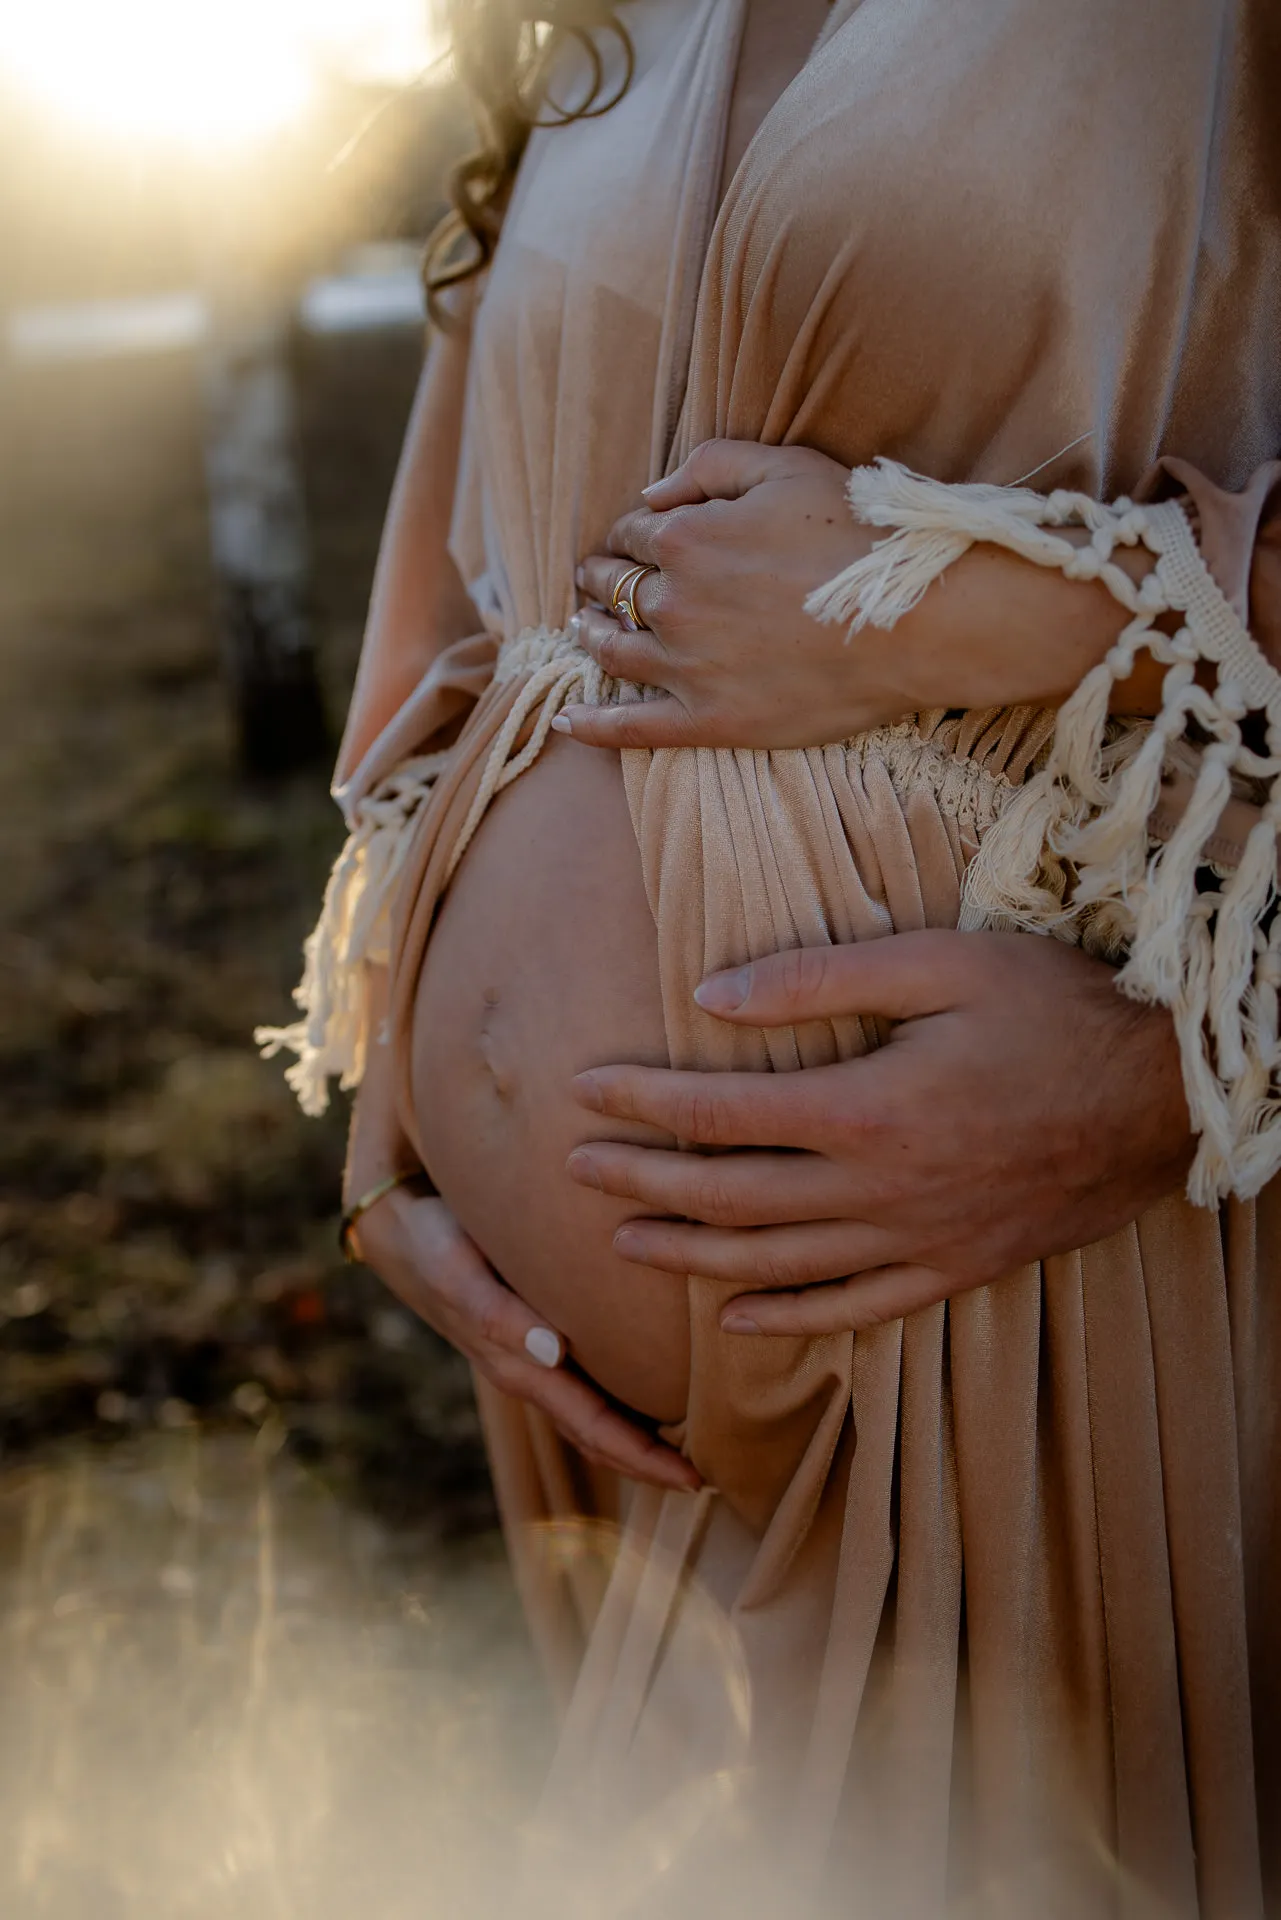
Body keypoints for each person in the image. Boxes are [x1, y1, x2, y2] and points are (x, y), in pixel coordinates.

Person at [259, 0, 1281, 1910]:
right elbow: (457, 610)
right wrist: (397, 1089)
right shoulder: (572, 25)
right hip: (584, 1401)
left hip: (1052, 1277)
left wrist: (1181, 1072)